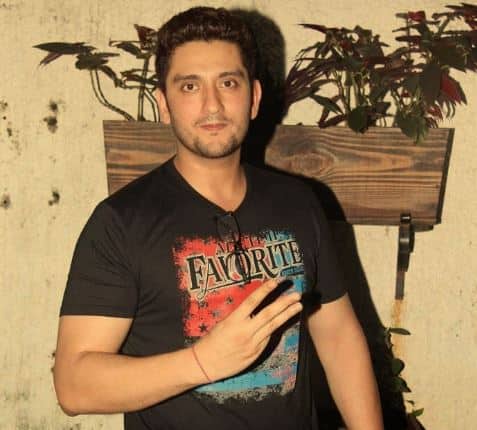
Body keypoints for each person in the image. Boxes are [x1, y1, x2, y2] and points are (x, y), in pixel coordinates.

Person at [54, 6, 383, 430]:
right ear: (164, 104)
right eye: (190, 86)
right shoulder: (121, 222)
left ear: (254, 98)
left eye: (228, 83)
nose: (212, 104)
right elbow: (74, 386)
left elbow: (338, 337)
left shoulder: (300, 204)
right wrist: (203, 362)